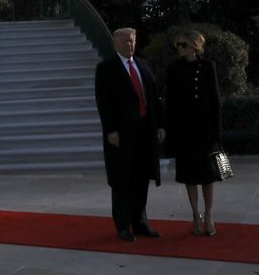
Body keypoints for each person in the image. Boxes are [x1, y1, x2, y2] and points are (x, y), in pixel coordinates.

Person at [94, 28, 165, 242]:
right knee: (122, 179)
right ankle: (123, 225)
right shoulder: (106, 68)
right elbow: (103, 103)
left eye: (132, 40)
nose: (129, 44)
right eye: (125, 41)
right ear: (115, 43)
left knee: (141, 178)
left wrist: (160, 125)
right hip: (122, 134)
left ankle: (140, 222)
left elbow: (153, 97)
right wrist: (111, 130)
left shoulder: (144, 64)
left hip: (145, 132)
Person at [165, 30, 222, 236]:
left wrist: (217, 133)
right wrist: (169, 130)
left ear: (195, 46)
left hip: (204, 127)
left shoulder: (207, 67)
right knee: (189, 175)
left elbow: (215, 100)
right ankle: (195, 214)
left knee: (208, 175)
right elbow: (170, 100)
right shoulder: (174, 68)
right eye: (178, 45)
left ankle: (208, 214)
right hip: (184, 128)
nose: (180, 48)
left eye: (183, 44)